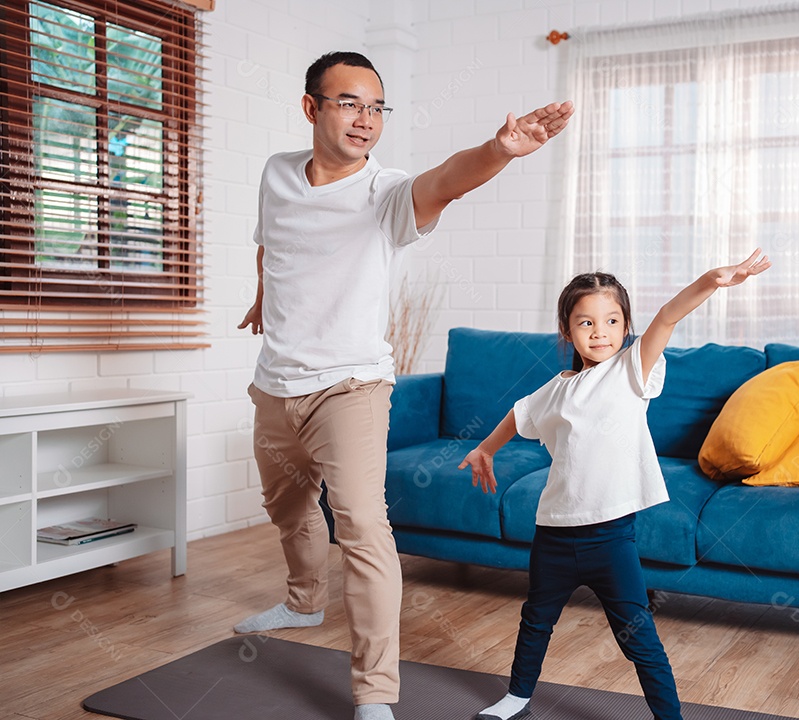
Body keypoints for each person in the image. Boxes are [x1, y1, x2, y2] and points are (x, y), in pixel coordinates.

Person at [234, 50, 573, 720]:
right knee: (288, 505)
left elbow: (444, 182)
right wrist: (262, 295)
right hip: (274, 383)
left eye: (377, 107)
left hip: (350, 387)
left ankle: (375, 693)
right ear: (312, 109)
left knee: (361, 524)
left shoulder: (383, 193)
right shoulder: (277, 172)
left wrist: (497, 151)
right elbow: (270, 241)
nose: (366, 119)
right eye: (350, 103)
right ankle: (304, 603)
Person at [459, 251, 771, 720]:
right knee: (536, 619)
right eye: (585, 323)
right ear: (567, 331)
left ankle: (671, 716)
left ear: (626, 328)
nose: (599, 331)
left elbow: (667, 317)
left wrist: (710, 280)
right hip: (554, 533)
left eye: (610, 320)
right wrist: (485, 449)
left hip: (610, 537)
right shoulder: (556, 388)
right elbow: (518, 413)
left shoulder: (631, 371)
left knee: (637, 636)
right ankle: (518, 696)